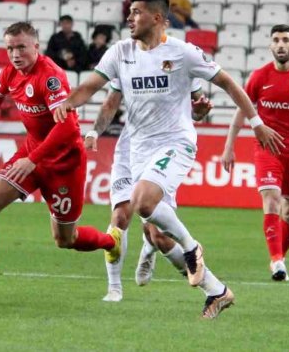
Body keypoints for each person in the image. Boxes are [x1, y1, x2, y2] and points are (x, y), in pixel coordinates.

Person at [58, 0, 283, 318]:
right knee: (157, 233)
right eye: (130, 12)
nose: (130, 18)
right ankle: (216, 291)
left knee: (142, 202)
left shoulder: (183, 53)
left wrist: (257, 122)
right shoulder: (120, 53)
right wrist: (68, 105)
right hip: (136, 147)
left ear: (158, 18)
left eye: (137, 12)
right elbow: (90, 89)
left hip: (175, 142)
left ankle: (192, 248)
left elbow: (228, 84)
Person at [0, 22, 120, 304]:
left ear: (35, 47)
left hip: (64, 162)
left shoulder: (50, 77)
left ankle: (111, 242)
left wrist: (33, 159)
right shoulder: (10, 72)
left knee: (66, 239)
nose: (15, 54)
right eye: (10, 48)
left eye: (21, 47)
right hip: (31, 153)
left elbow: (66, 129)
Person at [222, 25, 289, 282]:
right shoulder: (259, 77)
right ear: (270, 46)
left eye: (286, 40)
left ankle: (278, 257)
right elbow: (242, 110)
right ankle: (278, 261)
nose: (281, 44)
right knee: (271, 200)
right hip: (267, 150)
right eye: (276, 40)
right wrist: (229, 145)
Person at [91, 79, 212, 302]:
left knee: (158, 236)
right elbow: (110, 103)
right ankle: (114, 288)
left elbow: (196, 110)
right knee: (120, 216)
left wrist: (199, 112)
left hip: (163, 149)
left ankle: (207, 284)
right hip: (130, 149)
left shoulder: (181, 61)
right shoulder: (126, 60)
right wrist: (94, 132)